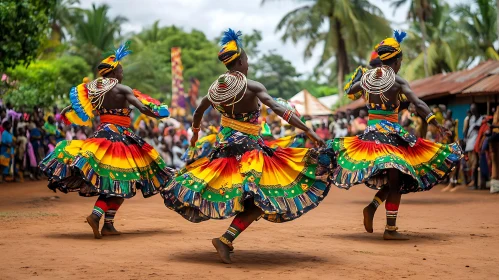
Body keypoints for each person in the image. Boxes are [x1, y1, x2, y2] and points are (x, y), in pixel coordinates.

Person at [161, 29, 333, 264]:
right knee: (266, 198)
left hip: (225, 151)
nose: (249, 64)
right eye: (248, 60)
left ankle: (226, 239)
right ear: (240, 61)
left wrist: (195, 133)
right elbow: (278, 108)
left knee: (253, 198)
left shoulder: (215, 90)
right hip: (250, 153)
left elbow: (199, 111)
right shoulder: (251, 86)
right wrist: (307, 129)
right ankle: (226, 239)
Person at [330, 30, 462, 240]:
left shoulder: (367, 79)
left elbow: (350, 90)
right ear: (397, 60)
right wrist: (435, 122)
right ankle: (390, 229)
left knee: (397, 180)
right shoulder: (398, 82)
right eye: (400, 59)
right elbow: (417, 103)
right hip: (391, 138)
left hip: (371, 136)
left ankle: (373, 208)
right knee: (397, 181)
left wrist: (361, 76)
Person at [39, 42, 174, 239]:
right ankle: (97, 216)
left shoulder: (93, 90)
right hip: (119, 138)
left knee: (117, 182)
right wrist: (159, 114)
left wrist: (67, 110)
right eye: (121, 69)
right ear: (114, 72)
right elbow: (142, 108)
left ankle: (107, 224)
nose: (122, 72)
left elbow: (77, 105)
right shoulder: (122, 89)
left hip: (101, 136)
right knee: (122, 180)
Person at [464, 103, 484, 190]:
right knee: (471, 164)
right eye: (472, 109)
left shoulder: (482, 119)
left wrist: (479, 128)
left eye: (474, 108)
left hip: (478, 144)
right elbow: (467, 131)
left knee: (476, 164)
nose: (472, 110)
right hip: (470, 144)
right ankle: (474, 182)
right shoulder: (471, 119)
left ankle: (476, 184)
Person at [489, 105, 499, 193]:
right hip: (495, 137)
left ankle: (495, 187)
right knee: (494, 162)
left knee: (495, 163)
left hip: (496, 137)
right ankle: (495, 187)